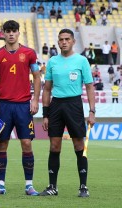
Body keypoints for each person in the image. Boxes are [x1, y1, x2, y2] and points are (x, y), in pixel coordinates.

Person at [39, 28, 96, 197]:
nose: (64, 42)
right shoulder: (52, 62)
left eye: (67, 39)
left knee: (79, 145)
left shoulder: (81, 61)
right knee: (54, 146)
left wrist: (92, 111)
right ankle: (52, 187)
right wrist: (46, 114)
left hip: (74, 104)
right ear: (58, 42)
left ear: (73, 41)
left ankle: (83, 187)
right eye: (61, 39)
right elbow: (47, 90)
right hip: (56, 105)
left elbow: (90, 87)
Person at [0, 20, 41, 196]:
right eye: (7, 31)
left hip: (23, 106)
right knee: (2, 143)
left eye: (14, 31)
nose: (11, 34)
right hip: (3, 105)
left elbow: (37, 76)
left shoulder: (29, 53)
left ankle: (29, 185)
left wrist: (35, 100)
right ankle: (1, 185)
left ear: (19, 32)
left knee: (26, 143)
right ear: (3, 33)